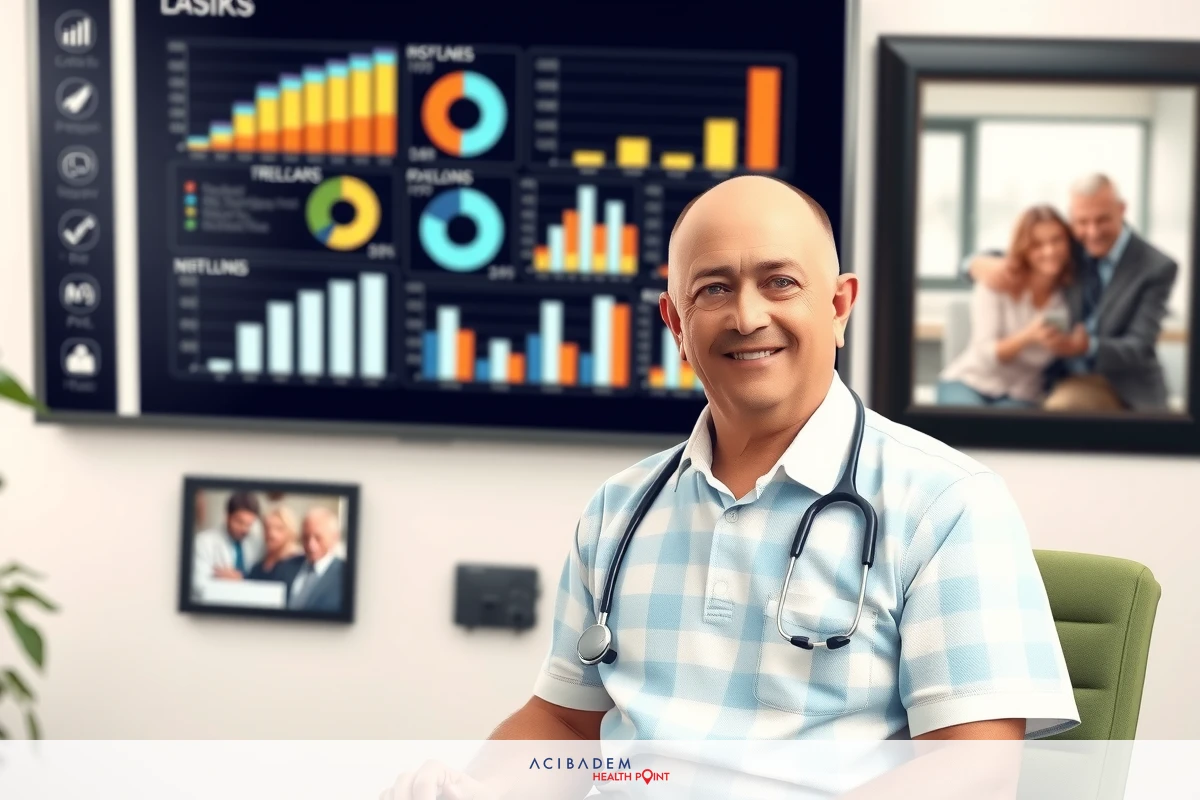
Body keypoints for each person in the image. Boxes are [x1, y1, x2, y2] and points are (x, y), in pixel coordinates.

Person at [385, 176, 1078, 798]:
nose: (747, 317)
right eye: (713, 288)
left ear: (839, 306)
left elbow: (973, 772)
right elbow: (567, 726)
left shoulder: (948, 503)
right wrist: (479, 790)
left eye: (780, 282)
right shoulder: (620, 511)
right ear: (676, 325)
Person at [968, 174, 1178, 411]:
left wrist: (1087, 346)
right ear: (1072, 219)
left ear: (1121, 209)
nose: (1092, 232)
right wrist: (972, 264)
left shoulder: (1156, 266)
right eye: (1082, 222)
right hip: (1062, 378)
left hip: (1123, 383)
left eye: (1102, 220)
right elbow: (1024, 251)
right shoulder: (1068, 245)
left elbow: (1138, 346)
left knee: (1063, 408)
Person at [937, 205, 1075, 407]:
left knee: (1005, 433)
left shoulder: (1069, 296)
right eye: (1037, 244)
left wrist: (1067, 346)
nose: (1050, 251)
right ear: (1024, 248)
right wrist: (1028, 335)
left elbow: (1059, 357)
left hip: (1022, 393)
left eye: (1057, 240)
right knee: (966, 428)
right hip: (970, 380)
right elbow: (985, 353)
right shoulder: (996, 282)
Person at [191, 490, 264, 589]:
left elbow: (261, 581)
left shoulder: (257, 544)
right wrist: (222, 581)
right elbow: (198, 584)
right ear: (227, 516)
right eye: (239, 522)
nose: (244, 529)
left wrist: (242, 579)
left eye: (249, 524)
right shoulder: (203, 542)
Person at [283, 506, 346, 612]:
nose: (311, 545)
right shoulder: (287, 566)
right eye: (306, 537)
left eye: (318, 538)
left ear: (335, 537)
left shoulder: (345, 574)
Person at [247, 505, 304, 586]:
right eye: (267, 528)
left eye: (278, 528)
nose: (271, 534)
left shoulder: (299, 563)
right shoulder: (257, 567)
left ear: (290, 530)